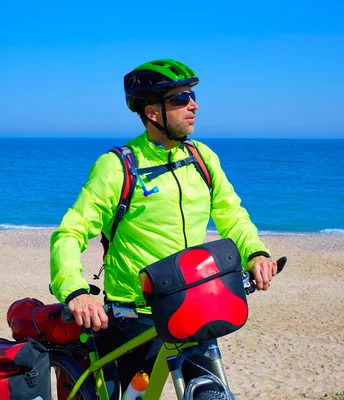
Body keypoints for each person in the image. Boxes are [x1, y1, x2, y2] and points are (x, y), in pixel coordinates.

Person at [50, 58, 278, 395]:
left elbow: (232, 215)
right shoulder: (118, 167)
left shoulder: (203, 159)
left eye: (192, 96)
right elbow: (70, 232)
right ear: (152, 112)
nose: (193, 105)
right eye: (180, 99)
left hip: (194, 306)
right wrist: (76, 291)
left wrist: (255, 253)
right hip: (133, 318)